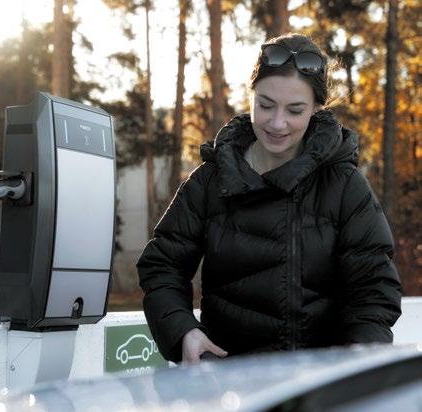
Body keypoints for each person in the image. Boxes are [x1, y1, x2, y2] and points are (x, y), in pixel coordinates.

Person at [136, 33, 402, 364]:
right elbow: (162, 265)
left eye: (295, 110)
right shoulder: (209, 181)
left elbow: (374, 287)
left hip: (318, 382)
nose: (277, 123)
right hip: (227, 382)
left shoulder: (344, 185)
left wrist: (358, 358)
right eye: (265, 105)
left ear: (316, 108)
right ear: (250, 96)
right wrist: (183, 331)